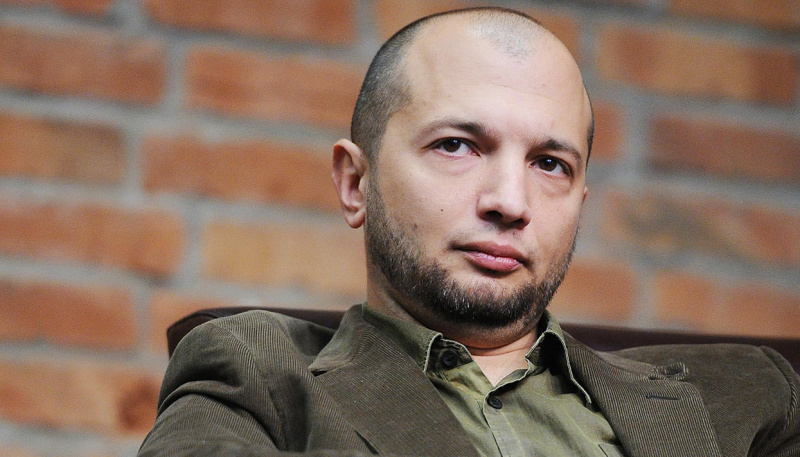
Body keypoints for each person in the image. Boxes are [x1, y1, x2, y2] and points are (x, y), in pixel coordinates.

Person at [139, 7, 800, 457]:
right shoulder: (259, 374)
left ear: (580, 199)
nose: (510, 201)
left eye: (550, 163)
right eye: (457, 145)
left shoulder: (748, 393)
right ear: (355, 182)